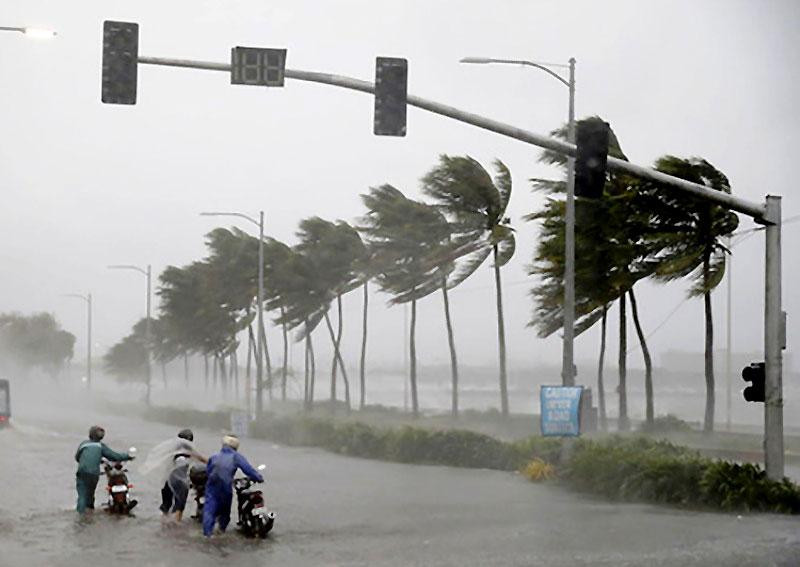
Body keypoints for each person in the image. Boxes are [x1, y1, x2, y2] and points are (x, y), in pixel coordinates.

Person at [140, 428, 207, 521]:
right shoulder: (188, 451)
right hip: (179, 482)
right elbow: (202, 459)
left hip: (166, 481)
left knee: (166, 505)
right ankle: (176, 528)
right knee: (179, 506)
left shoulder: (171, 450)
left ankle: (162, 525)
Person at [202, 434, 263, 537]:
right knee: (225, 512)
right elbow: (248, 470)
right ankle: (221, 532)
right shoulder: (236, 457)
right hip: (225, 487)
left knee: (209, 511)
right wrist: (259, 478)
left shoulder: (214, 456)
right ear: (236, 447)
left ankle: (207, 535)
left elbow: (208, 472)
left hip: (212, 487)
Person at [74, 425, 134, 514]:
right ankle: (90, 512)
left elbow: (77, 457)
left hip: (82, 472)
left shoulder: (83, 444)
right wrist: (128, 456)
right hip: (94, 474)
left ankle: (81, 516)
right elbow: (115, 456)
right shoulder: (100, 446)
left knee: (82, 495)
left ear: (90, 435)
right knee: (90, 494)